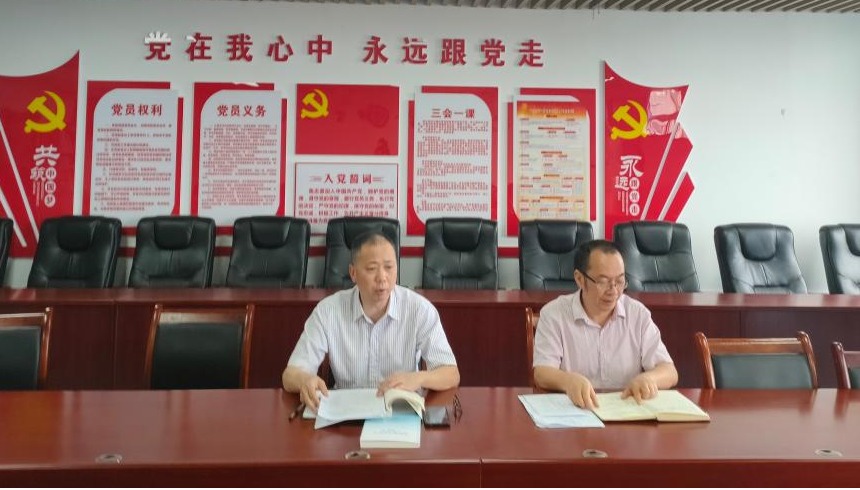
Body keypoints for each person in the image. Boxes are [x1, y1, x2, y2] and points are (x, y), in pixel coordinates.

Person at [282, 231, 460, 411]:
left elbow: (451, 373)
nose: (382, 277)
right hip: (347, 412)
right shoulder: (328, 311)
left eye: (389, 267)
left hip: (400, 412)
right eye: (371, 268)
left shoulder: (419, 309)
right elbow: (290, 375)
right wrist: (305, 380)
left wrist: (419, 378)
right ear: (353, 273)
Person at [533, 239, 678, 409]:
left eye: (620, 281)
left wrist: (649, 378)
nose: (614, 291)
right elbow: (541, 373)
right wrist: (568, 381)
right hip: (575, 411)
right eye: (603, 282)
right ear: (580, 279)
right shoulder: (554, 314)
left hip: (627, 411)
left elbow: (669, 371)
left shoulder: (637, 314)